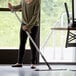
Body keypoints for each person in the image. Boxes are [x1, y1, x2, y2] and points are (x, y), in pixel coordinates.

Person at [8, 0, 40, 69]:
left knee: (32, 43)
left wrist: (28, 26)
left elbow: (35, 15)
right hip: (24, 24)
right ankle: (19, 62)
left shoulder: (36, 1)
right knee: (22, 42)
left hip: (33, 25)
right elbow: (20, 6)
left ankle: (33, 63)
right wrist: (12, 7)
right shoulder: (23, 1)